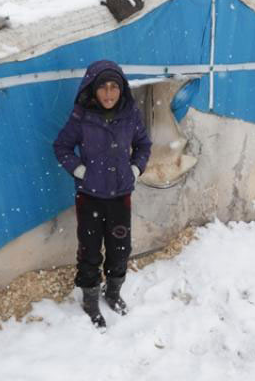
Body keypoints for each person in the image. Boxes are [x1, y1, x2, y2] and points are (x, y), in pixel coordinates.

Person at [52, 60, 152, 329]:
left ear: (121, 90)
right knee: (89, 251)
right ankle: (90, 299)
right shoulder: (81, 116)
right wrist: (80, 170)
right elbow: (61, 146)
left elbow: (143, 144)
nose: (109, 94)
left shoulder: (130, 114)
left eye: (114, 87)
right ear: (93, 90)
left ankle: (113, 292)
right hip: (90, 197)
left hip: (120, 195)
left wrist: (135, 169)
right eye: (103, 88)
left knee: (121, 249)